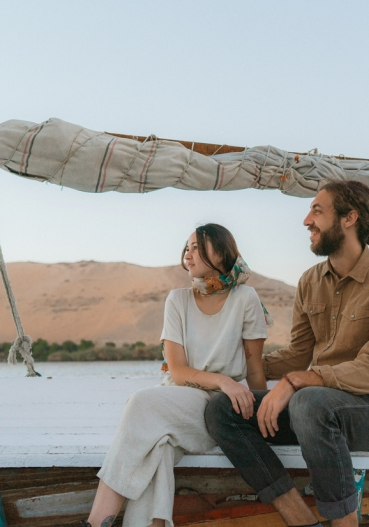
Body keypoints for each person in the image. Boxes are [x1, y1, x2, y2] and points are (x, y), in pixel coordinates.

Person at [205, 180, 369, 527]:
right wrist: (227, 367)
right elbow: (299, 354)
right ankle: (301, 520)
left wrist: (295, 383)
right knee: (222, 410)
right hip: (313, 411)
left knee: (308, 401)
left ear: (349, 218)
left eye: (317, 210)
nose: (306, 221)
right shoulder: (309, 280)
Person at [83, 223, 270, 527]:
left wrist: (264, 417)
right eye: (187, 246)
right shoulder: (177, 300)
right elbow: (179, 372)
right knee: (159, 448)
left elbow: (255, 368)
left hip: (218, 409)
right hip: (180, 397)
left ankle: (93, 524)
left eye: (198, 246)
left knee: (142, 404)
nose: (188, 253)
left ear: (221, 253)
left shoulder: (246, 298)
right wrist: (224, 380)